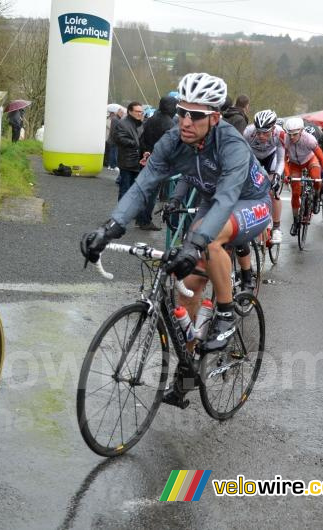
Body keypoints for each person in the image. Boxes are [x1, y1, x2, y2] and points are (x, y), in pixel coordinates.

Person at [80, 72, 272, 408]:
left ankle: (226, 313)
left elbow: (228, 197)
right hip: (213, 204)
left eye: (195, 115)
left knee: (209, 242)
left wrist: (195, 241)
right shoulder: (173, 139)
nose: (185, 121)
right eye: (182, 112)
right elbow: (143, 185)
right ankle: (188, 366)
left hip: (250, 202)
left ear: (214, 117)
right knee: (187, 285)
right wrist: (109, 227)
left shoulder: (232, 144)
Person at [113, 101, 158, 230]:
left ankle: (130, 214)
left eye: (141, 111)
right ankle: (119, 217)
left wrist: (145, 151)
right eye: (138, 111)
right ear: (130, 112)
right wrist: (136, 144)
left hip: (137, 161)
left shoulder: (140, 124)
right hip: (127, 162)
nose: (140, 114)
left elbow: (142, 141)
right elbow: (119, 139)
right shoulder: (123, 123)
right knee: (125, 189)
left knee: (135, 190)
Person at [243, 109, 285, 243]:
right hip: (254, 157)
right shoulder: (248, 132)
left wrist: (277, 176)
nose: (261, 136)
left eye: (265, 133)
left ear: (273, 128)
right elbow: (243, 156)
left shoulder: (280, 134)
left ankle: (277, 228)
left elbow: (281, 160)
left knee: (274, 191)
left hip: (271, 157)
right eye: (259, 132)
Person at [283, 117, 323, 236]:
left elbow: (322, 157)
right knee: (296, 192)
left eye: (295, 134)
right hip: (294, 164)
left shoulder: (309, 139)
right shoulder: (286, 139)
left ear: (301, 131)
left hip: (309, 160)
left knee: (316, 178)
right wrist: (287, 175)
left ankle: (317, 196)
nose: (292, 137)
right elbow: (283, 159)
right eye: (289, 134)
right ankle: (296, 221)